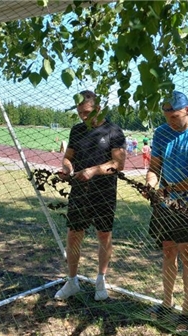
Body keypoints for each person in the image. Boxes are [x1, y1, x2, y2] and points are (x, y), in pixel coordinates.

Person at [145, 90, 188, 331]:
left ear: (187, 110)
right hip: (165, 203)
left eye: (174, 116)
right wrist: (150, 185)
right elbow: (154, 168)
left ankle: (187, 311)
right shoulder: (161, 133)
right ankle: (166, 304)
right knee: (167, 252)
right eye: (166, 117)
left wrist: (170, 188)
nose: (170, 122)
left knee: (187, 255)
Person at [54, 90, 126, 301]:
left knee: (104, 235)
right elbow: (68, 158)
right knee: (74, 233)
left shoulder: (114, 131)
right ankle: (72, 280)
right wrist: (67, 169)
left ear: (98, 107)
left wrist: (93, 171)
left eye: (86, 112)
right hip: (79, 191)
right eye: (79, 113)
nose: (83, 117)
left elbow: (118, 165)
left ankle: (101, 280)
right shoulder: (77, 131)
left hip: (104, 192)